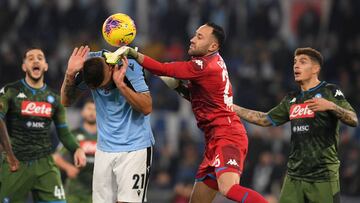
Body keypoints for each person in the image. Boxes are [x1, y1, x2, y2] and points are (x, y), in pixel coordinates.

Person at [113, 22, 268, 203]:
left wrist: (134, 54)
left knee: (229, 189)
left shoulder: (204, 66)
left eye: (199, 37)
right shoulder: (212, 62)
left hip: (227, 136)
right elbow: (204, 100)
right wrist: (180, 90)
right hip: (214, 140)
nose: (192, 39)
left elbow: (163, 69)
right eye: (195, 35)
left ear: (213, 46)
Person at [232, 47, 358, 203]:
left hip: (323, 175)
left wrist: (331, 106)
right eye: (295, 62)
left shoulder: (330, 91)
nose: (296, 66)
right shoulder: (292, 98)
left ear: (315, 69)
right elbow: (264, 119)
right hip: (294, 176)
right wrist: (232, 107)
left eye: (302, 62)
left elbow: (353, 119)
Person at [60, 46, 154, 203]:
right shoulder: (86, 65)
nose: (103, 89)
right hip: (104, 149)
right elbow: (66, 101)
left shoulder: (129, 64)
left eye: (105, 84)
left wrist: (121, 84)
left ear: (110, 67)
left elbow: (146, 107)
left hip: (134, 148)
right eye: (98, 88)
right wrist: (69, 74)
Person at [0, 48, 86, 203]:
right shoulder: (10, 91)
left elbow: (63, 131)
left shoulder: (53, 97)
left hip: (45, 163)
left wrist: (76, 148)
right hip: (16, 162)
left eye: (40, 57)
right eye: (30, 58)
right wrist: (8, 153)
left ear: (46, 66)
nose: (35, 60)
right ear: (24, 66)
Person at [53, 99, 97, 203]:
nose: (92, 112)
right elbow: (55, 157)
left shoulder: (105, 137)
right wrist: (68, 168)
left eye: (95, 110)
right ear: (82, 112)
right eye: (89, 108)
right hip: (75, 191)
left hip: (97, 190)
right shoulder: (73, 134)